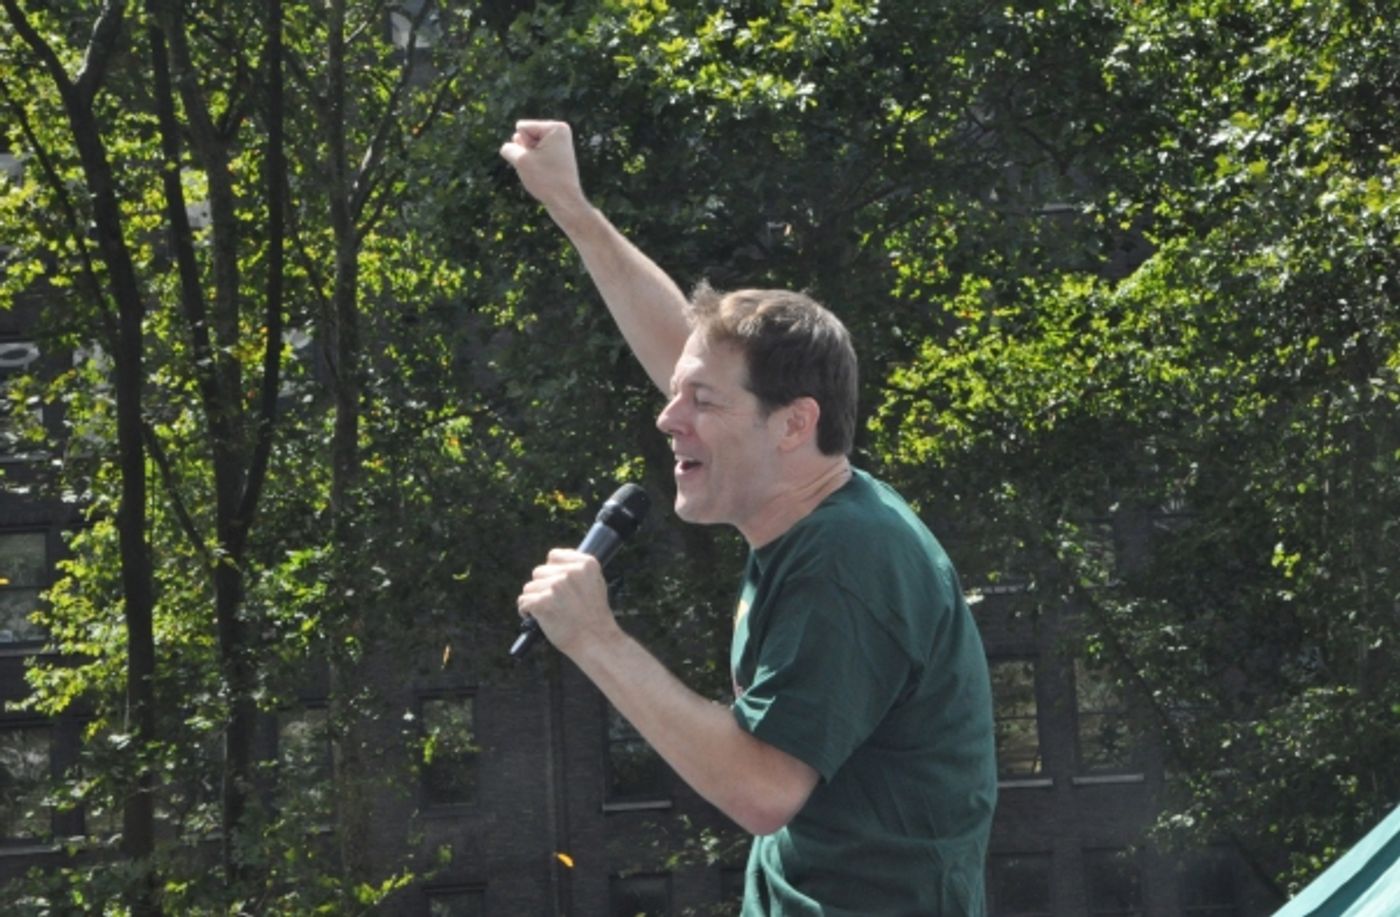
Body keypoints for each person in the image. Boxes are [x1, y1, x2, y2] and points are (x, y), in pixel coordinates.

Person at [504, 120, 997, 916]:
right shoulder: (817, 506)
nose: (669, 419)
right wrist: (572, 208)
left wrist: (595, 638)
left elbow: (763, 787)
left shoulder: (848, 563)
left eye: (699, 404)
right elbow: (690, 356)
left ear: (794, 424)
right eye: (677, 396)